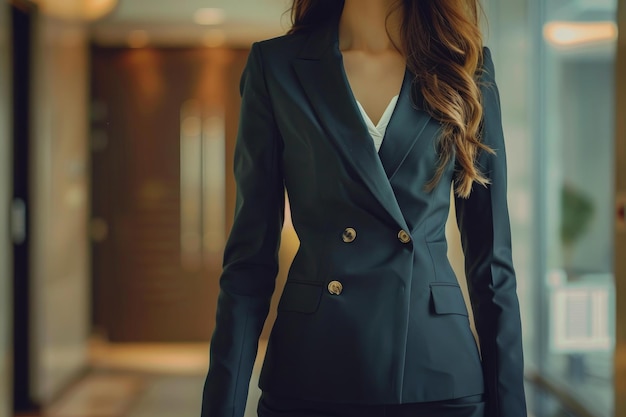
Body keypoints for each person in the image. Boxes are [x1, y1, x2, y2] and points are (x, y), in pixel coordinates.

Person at [201, 0, 527, 416]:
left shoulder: (466, 67)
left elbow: (492, 265)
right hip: (313, 371)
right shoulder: (277, 66)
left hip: (436, 377)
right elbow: (249, 261)